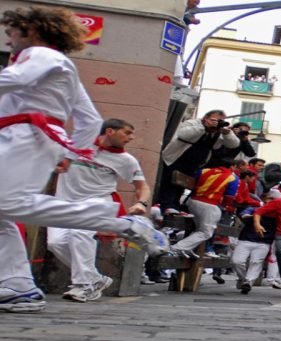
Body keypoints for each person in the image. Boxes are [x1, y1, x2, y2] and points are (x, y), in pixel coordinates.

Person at [0, 6, 169, 312]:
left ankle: (120, 222)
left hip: (24, 138)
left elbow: (12, 80)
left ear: (33, 31)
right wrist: (67, 152)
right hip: (30, 139)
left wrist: (64, 152)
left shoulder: (40, 54)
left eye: (11, 33)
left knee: (6, 204)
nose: (9, 41)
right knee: (2, 214)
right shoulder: (61, 64)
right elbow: (90, 120)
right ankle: (17, 286)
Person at [47, 119, 151, 302]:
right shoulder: (76, 146)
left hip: (98, 202)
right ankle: (94, 278)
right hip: (64, 203)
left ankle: (84, 286)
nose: (132, 138)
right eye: (127, 133)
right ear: (110, 131)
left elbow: (142, 187)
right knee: (55, 243)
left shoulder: (126, 160)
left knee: (79, 233)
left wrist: (141, 203)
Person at [158, 110, 239, 215]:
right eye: (215, 120)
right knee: (170, 182)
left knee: (183, 184)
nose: (217, 123)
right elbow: (183, 134)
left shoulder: (219, 132)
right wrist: (204, 127)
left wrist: (228, 133)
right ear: (206, 118)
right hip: (176, 158)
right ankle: (165, 206)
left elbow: (234, 144)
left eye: (221, 121)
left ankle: (174, 206)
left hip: (195, 163)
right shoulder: (193, 123)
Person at [170, 159, 239, 259]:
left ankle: (188, 248)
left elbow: (193, 181)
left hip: (193, 201)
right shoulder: (232, 177)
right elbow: (229, 196)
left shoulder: (204, 171)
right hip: (210, 205)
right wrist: (224, 206)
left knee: (199, 228)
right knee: (206, 233)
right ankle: (178, 247)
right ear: (233, 166)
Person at [232, 194, 276, 294]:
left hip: (264, 242)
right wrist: (256, 216)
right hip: (245, 239)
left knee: (256, 262)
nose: (268, 205)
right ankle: (243, 279)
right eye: (266, 202)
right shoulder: (253, 209)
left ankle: (248, 282)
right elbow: (243, 216)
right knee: (236, 261)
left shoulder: (278, 215)